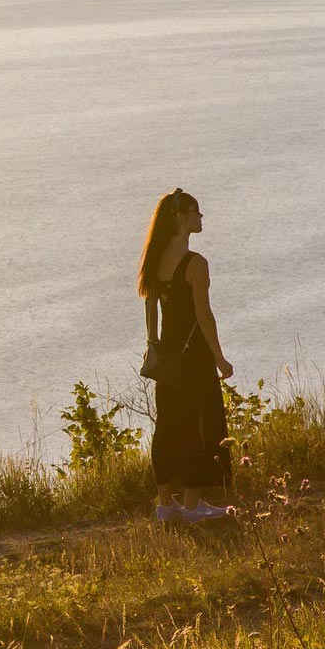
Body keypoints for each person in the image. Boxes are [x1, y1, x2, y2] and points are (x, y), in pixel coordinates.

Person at [137, 187, 234, 522]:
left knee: (168, 427)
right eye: (195, 212)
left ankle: (166, 505)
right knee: (200, 425)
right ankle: (193, 506)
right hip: (194, 357)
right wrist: (220, 358)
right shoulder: (195, 264)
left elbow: (150, 306)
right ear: (181, 218)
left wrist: (153, 344)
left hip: (167, 356)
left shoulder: (155, 258)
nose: (200, 217)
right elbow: (204, 316)